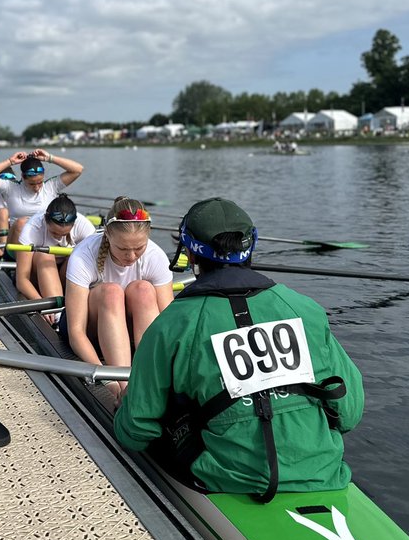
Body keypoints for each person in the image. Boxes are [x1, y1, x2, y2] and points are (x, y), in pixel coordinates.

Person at [114, 197, 364, 500]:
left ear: (191, 254)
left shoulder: (170, 324)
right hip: (323, 469)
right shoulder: (305, 309)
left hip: (223, 477)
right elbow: (349, 413)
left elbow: (137, 431)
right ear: (251, 245)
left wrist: (122, 408)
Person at [64, 196, 173, 405]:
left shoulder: (156, 256)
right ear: (107, 234)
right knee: (112, 292)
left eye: (139, 248)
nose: (131, 256)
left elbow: (168, 326)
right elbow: (76, 332)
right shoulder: (83, 255)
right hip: (92, 330)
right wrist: (107, 380)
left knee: (143, 289)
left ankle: (148, 377)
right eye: (123, 249)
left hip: (131, 330)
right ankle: (124, 385)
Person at [0, 149, 84, 245]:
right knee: (22, 223)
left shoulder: (51, 186)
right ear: (23, 177)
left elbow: (78, 170)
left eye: (40, 182)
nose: (37, 188)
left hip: (44, 243)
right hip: (18, 243)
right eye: (32, 184)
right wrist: (10, 161)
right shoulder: (10, 188)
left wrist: (49, 158)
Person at [14, 193, 96, 301]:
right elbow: (22, 281)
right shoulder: (32, 228)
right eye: (54, 233)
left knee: (79, 256)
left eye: (64, 234)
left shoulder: (85, 226)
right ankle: (56, 311)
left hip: (66, 275)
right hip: (37, 275)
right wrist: (40, 303)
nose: (59, 237)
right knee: (45, 256)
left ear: (74, 223)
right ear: (45, 219)